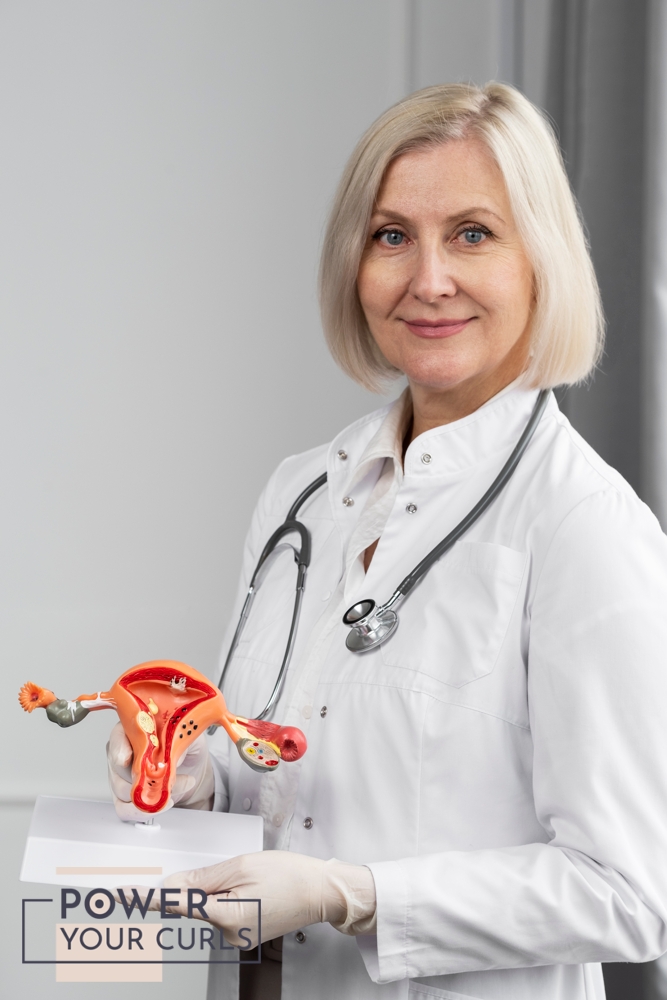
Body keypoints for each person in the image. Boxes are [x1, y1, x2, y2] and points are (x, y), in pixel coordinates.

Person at [108, 82, 667, 1000]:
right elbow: (284, 777)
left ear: (542, 260)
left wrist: (351, 896)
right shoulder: (303, 493)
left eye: (473, 234)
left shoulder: (582, 528)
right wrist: (189, 777)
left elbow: (626, 894)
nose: (427, 279)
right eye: (391, 235)